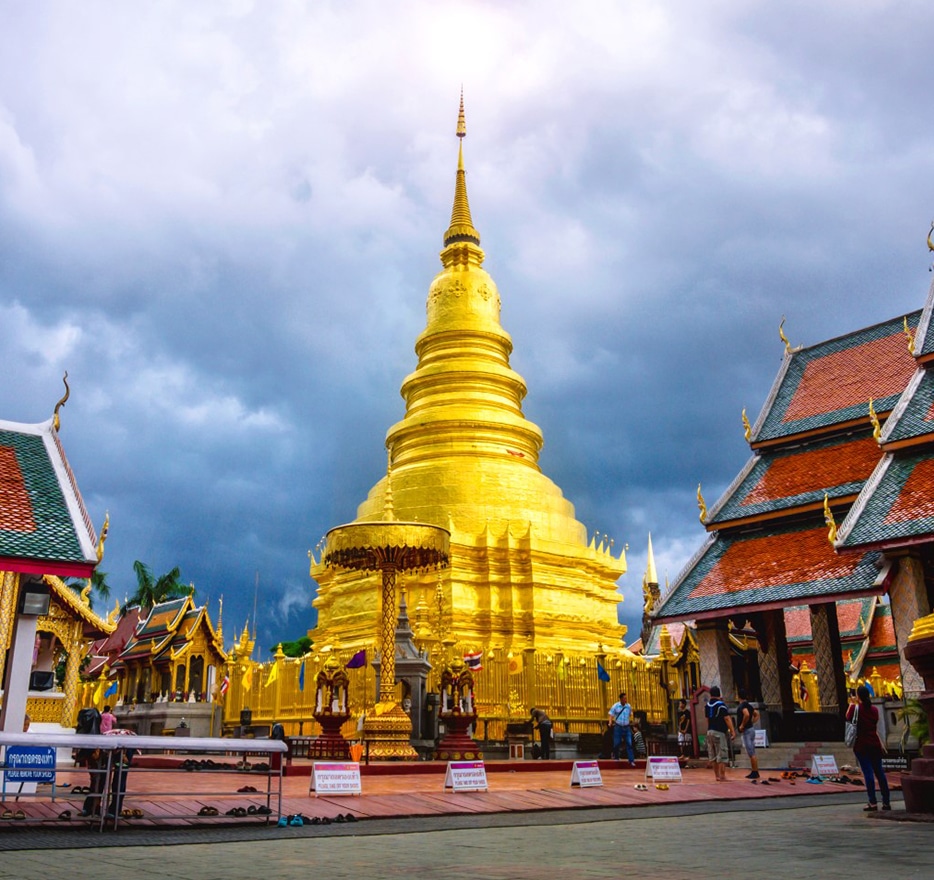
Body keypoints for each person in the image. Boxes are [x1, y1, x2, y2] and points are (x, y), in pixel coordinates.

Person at [846, 684, 890, 812]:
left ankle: (872, 802)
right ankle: (886, 802)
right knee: (880, 772)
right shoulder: (874, 710)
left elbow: (847, 717)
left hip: (862, 745)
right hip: (874, 744)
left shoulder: (855, 708)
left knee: (868, 773)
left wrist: (852, 703)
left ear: (858, 696)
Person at [705, 685, 735, 782]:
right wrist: (733, 731)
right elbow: (726, 718)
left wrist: (709, 729)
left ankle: (717, 776)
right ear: (719, 694)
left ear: (710, 695)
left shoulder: (707, 705)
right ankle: (722, 776)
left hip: (710, 731)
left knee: (713, 755)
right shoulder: (721, 705)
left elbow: (707, 719)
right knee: (721, 754)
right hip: (719, 732)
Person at [736, 687, 760, 779]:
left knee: (751, 752)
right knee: (752, 750)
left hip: (747, 731)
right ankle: (754, 770)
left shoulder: (742, 706)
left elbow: (746, 714)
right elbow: (757, 714)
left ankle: (755, 771)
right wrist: (752, 722)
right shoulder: (749, 705)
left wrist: (742, 725)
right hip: (751, 729)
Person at [608, 692, 635, 766]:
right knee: (617, 743)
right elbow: (611, 714)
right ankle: (616, 757)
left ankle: (631, 760)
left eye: (626, 698)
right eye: (624, 698)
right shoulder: (616, 706)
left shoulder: (628, 706)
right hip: (618, 727)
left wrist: (631, 721)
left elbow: (630, 714)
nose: (626, 700)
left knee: (629, 743)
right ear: (620, 699)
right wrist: (610, 722)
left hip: (626, 727)